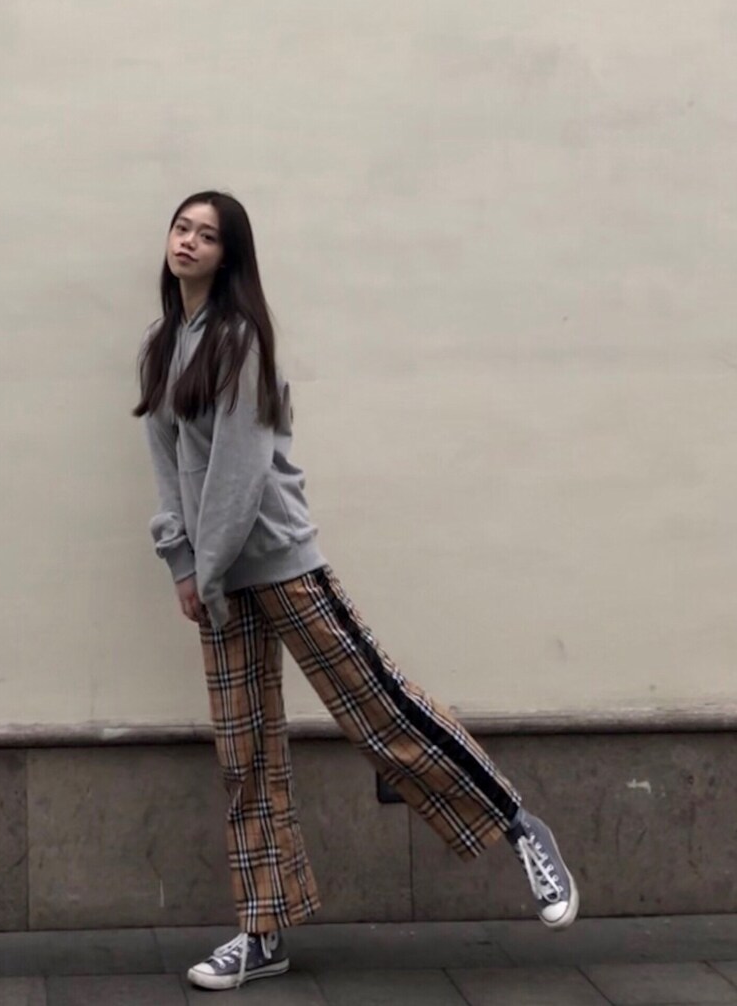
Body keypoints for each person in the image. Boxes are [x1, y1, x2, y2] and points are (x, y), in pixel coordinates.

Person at [135, 190, 579, 992]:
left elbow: (239, 474)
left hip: (278, 564)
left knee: (380, 709)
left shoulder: (240, 342)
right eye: (182, 228)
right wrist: (182, 566)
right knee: (245, 756)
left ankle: (519, 825)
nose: (188, 241)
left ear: (230, 256)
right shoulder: (164, 346)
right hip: (217, 580)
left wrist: (209, 568)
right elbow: (168, 469)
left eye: (208, 234)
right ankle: (263, 932)